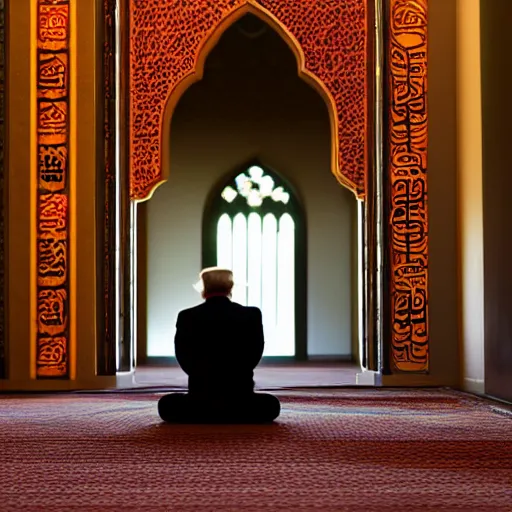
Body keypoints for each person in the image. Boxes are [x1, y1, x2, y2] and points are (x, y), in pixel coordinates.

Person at [157, 267, 281, 424]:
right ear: (230, 287)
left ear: (203, 288)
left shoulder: (187, 316)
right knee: (271, 405)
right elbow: (254, 354)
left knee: (167, 405)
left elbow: (183, 357)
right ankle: (235, 415)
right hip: (240, 399)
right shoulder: (251, 314)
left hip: (200, 399)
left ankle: (204, 415)